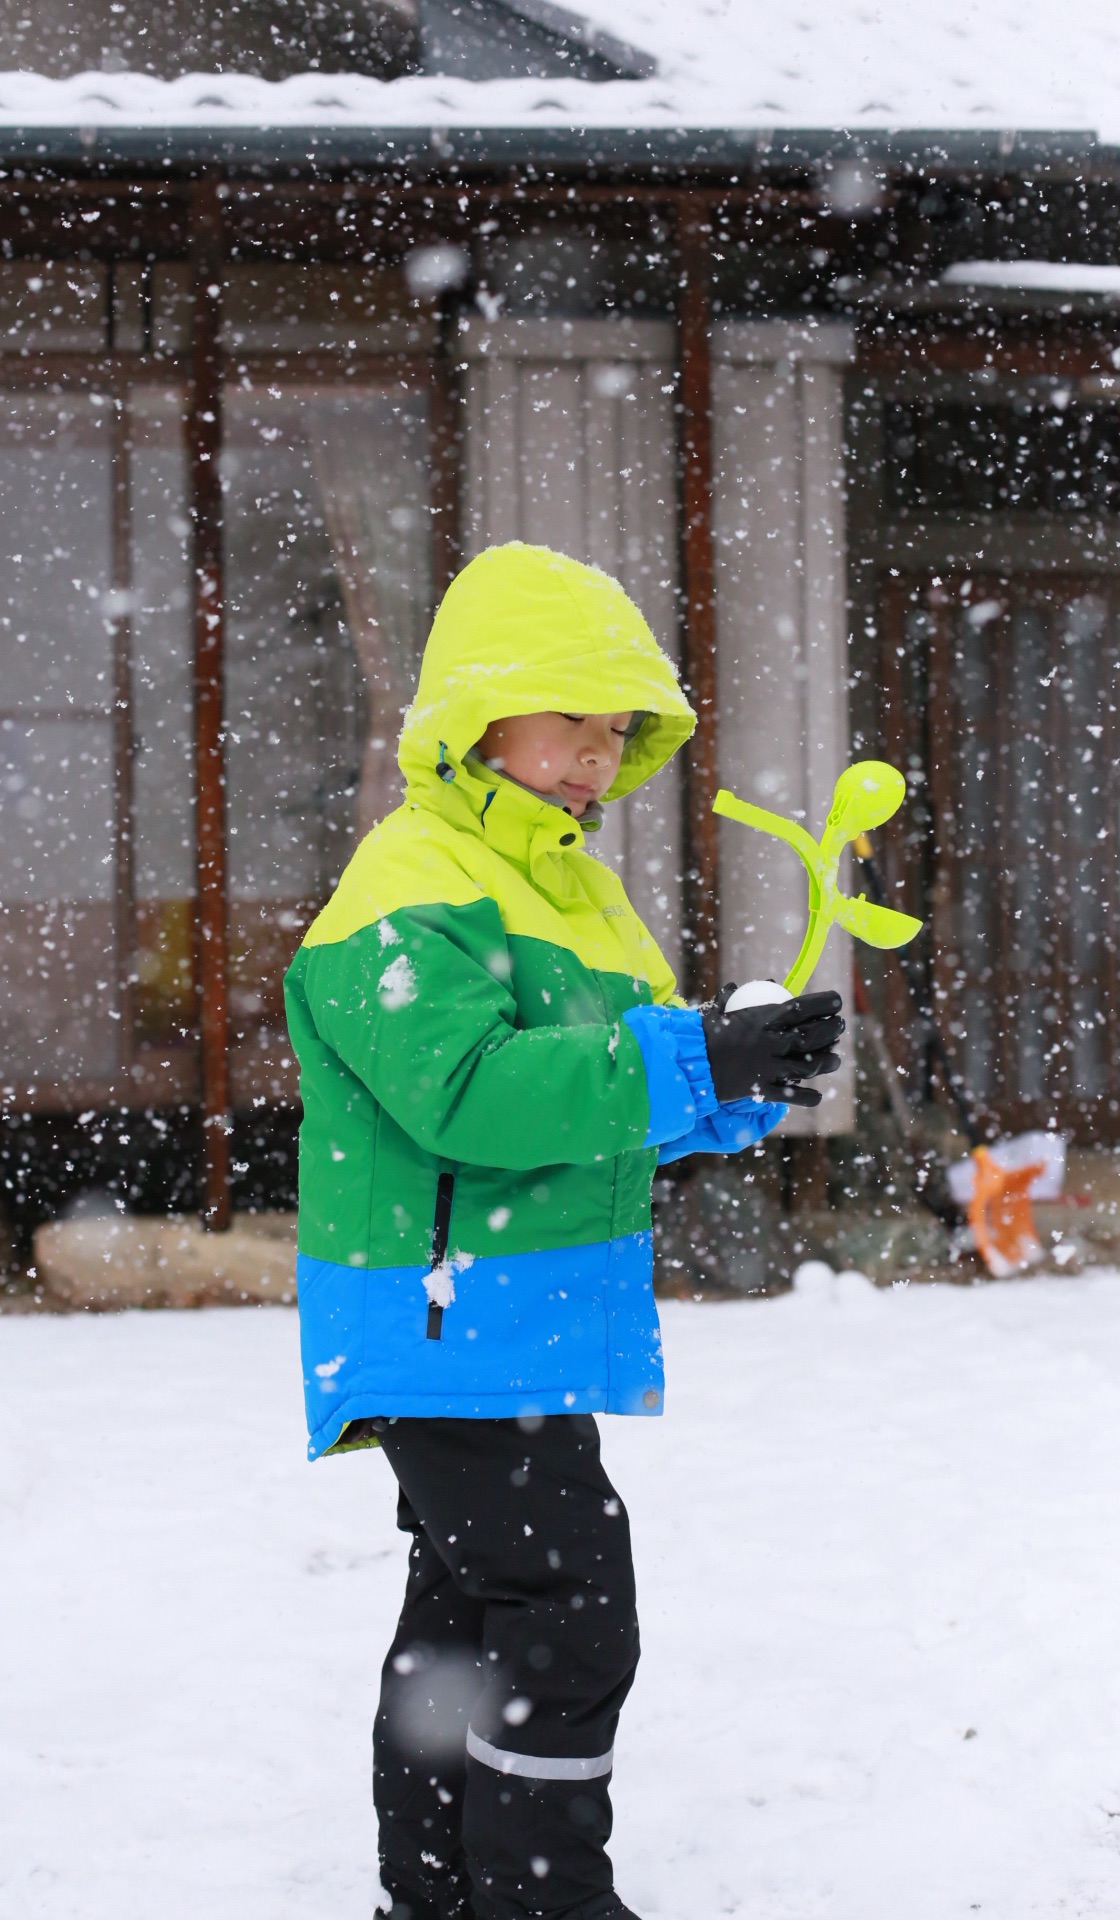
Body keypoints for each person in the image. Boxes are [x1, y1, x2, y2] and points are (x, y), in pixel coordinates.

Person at [283, 542, 843, 1920]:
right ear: (475, 714)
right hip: (443, 1312)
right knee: (572, 1610)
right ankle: (542, 1900)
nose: (598, 755)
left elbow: (601, 1102)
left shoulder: (568, 888)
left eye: (617, 730)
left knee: (471, 1612)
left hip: (508, 1316)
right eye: (571, 717)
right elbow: (469, 1095)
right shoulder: (411, 877)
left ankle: (436, 1897)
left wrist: (735, 1084)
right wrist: (693, 1059)